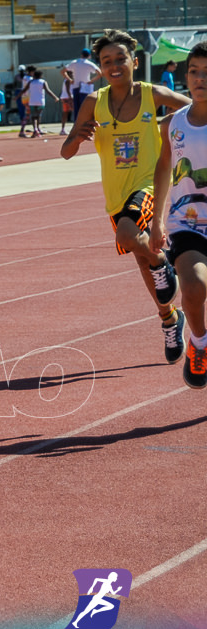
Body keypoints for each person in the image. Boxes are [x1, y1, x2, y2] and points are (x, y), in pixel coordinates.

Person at [62, 28, 191, 365]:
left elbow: (196, 110)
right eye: (107, 61)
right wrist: (78, 137)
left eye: (121, 59)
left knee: (131, 237)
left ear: (135, 61)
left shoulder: (153, 94)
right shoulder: (94, 102)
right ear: (100, 68)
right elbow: (65, 152)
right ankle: (169, 318)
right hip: (116, 197)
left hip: (150, 186)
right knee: (143, 261)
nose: (115, 65)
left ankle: (163, 263)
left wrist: (175, 126)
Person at [151, 42, 207, 387]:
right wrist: (156, 219)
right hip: (187, 221)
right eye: (194, 71)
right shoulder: (172, 123)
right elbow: (162, 167)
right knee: (194, 283)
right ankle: (199, 343)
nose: (200, 79)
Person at [19, 69, 59, 137]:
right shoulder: (40, 81)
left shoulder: (27, 79)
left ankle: (34, 129)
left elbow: (24, 90)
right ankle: (36, 129)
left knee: (32, 116)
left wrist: (17, 96)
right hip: (39, 101)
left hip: (29, 100)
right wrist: (55, 97)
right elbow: (48, 90)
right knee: (38, 116)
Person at [62, 47, 101, 115]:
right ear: (89, 56)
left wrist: (70, 80)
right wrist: (91, 81)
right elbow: (100, 73)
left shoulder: (74, 62)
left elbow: (62, 71)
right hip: (86, 87)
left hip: (76, 87)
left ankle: (77, 123)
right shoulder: (89, 64)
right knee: (86, 106)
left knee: (77, 108)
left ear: (81, 55)